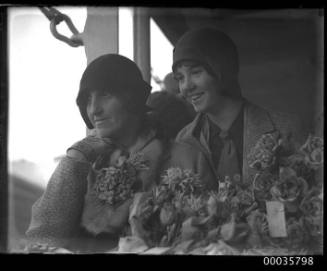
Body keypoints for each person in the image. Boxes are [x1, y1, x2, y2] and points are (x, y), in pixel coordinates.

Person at [25, 54, 169, 253]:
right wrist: (75, 160)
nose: (94, 109)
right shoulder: (84, 161)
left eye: (105, 94)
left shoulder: (177, 155)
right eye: (87, 99)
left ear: (132, 97)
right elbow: (42, 240)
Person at [171, 27, 307, 186]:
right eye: (180, 78)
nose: (186, 87)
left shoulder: (285, 130)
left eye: (196, 72)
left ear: (223, 68)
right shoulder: (183, 141)